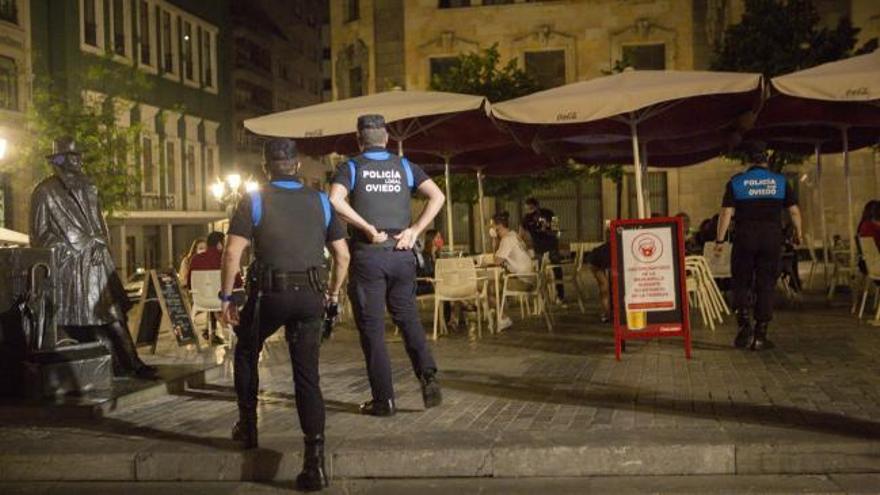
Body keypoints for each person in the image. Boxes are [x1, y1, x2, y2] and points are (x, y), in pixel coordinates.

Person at [220, 138, 349, 492]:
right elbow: (343, 256)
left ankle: (248, 426)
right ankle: (314, 463)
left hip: (269, 297)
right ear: (296, 166)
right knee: (307, 377)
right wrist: (333, 295)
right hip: (310, 296)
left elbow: (232, 254)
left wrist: (226, 297)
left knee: (246, 350)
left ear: (266, 168)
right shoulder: (321, 200)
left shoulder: (255, 199)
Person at [329, 114, 445, 417]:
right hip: (402, 253)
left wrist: (366, 226)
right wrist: (415, 231)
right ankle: (428, 375)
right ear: (387, 139)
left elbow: (335, 200)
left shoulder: (351, 167)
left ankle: (384, 400)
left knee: (373, 329)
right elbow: (438, 196)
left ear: (359, 140)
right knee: (408, 319)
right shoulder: (405, 166)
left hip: (369, 254)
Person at [30, 137, 157, 379]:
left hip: (97, 263)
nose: (79, 161)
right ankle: (114, 365)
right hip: (71, 269)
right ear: (60, 160)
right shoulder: (44, 191)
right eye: (74, 157)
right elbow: (39, 235)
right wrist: (73, 247)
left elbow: (100, 224)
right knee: (86, 322)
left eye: (80, 156)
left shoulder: (89, 188)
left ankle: (131, 363)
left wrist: (101, 243)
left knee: (113, 315)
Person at [715, 143, 801, 351]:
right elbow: (794, 211)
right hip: (771, 238)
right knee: (766, 284)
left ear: (749, 160)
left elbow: (726, 213)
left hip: (745, 237)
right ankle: (761, 334)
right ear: (767, 158)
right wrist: (799, 233)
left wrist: (719, 241)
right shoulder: (780, 182)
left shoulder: (736, 182)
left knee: (741, 281)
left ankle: (744, 329)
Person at [189, 231, 240, 345]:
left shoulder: (195, 259)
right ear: (219, 245)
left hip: (200, 300)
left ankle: (220, 330)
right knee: (236, 295)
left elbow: (189, 283)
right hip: (221, 301)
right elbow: (238, 284)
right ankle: (234, 330)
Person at [492, 211, 536, 331]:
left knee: (488, 288)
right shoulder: (514, 235)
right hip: (530, 278)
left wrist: (494, 240)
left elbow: (496, 261)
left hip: (523, 282)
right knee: (496, 285)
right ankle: (500, 315)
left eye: (492, 226)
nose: (491, 228)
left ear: (498, 227)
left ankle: (503, 318)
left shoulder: (506, 240)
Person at [521, 198, 564, 304]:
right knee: (539, 273)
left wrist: (548, 228)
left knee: (557, 269)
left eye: (531, 208)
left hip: (551, 245)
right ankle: (542, 296)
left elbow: (557, 230)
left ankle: (560, 295)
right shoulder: (527, 218)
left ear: (537, 206)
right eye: (527, 209)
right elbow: (521, 232)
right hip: (538, 248)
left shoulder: (549, 213)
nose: (530, 211)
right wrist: (524, 243)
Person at [586, 241, 611, 323]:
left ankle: (608, 311)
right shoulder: (607, 251)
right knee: (604, 287)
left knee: (608, 287)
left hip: (599, 260)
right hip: (595, 263)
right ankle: (606, 313)